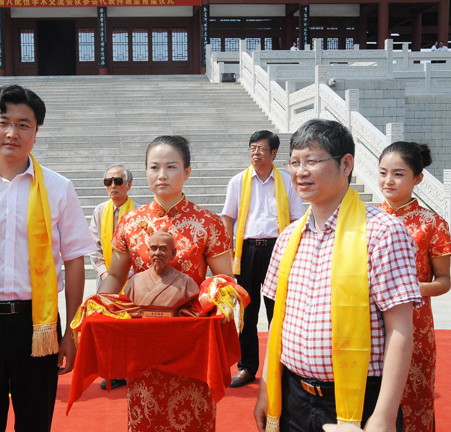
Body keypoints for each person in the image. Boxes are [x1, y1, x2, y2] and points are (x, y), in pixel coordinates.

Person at [0, 84, 95, 432]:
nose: (12, 132)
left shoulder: (58, 187)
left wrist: (69, 330)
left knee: (35, 419)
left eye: (24, 124)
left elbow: (73, 260)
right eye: (3, 121)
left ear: (36, 132)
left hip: (37, 323)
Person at [253, 119, 421, 432]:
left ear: (346, 165)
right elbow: (279, 319)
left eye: (312, 161)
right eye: (295, 162)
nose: (301, 172)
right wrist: (266, 387)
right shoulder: (289, 236)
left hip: (358, 397)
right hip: (293, 397)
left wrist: (383, 416)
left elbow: (400, 329)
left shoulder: (383, 232)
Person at [99, 135, 234, 431]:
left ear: (187, 171)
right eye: (154, 167)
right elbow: (116, 276)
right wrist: (96, 310)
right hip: (144, 343)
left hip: (191, 343)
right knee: (145, 414)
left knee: (193, 417)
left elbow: (225, 280)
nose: (162, 175)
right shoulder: (130, 222)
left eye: (171, 167)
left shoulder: (208, 223)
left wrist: (217, 303)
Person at [377, 141, 450, 432]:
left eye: (398, 174)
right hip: (372, 322)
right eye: (383, 173)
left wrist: (410, 289)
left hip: (415, 326)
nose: (387, 181)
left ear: (417, 178)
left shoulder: (432, 224)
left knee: (414, 399)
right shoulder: (366, 220)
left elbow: (444, 281)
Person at [221, 130, 304, 388]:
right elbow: (228, 218)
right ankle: (247, 367)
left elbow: (295, 220)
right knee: (246, 310)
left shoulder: (288, 183)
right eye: (252, 148)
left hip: (277, 250)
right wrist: (229, 253)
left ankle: (279, 366)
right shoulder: (238, 182)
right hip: (246, 252)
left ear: (274, 153)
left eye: (261, 149)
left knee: (276, 311)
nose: (256, 153)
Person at [88, 163, 139, 390]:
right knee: (108, 327)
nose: (113, 186)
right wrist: (106, 274)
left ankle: (134, 370)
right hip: (106, 278)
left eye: (118, 181)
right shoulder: (100, 211)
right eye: (108, 182)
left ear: (128, 185)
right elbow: (94, 247)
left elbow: (140, 251)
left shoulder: (139, 213)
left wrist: (124, 276)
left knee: (131, 329)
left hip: (133, 280)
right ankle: (113, 372)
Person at [122, 230, 199, 311]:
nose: (157, 253)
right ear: (149, 251)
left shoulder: (186, 283)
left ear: (173, 253)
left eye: (163, 249)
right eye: (154, 248)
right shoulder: (135, 281)